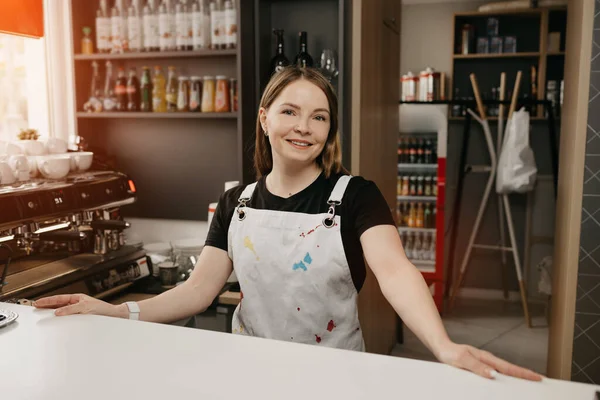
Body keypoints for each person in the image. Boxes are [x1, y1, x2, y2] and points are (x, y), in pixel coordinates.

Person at [34, 67, 541, 382]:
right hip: (249, 372)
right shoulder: (237, 201)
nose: (305, 126)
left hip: (335, 376)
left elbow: (395, 272)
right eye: (291, 111)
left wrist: (443, 345)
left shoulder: (355, 196)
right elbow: (196, 292)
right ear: (265, 117)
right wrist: (114, 312)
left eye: (319, 117)